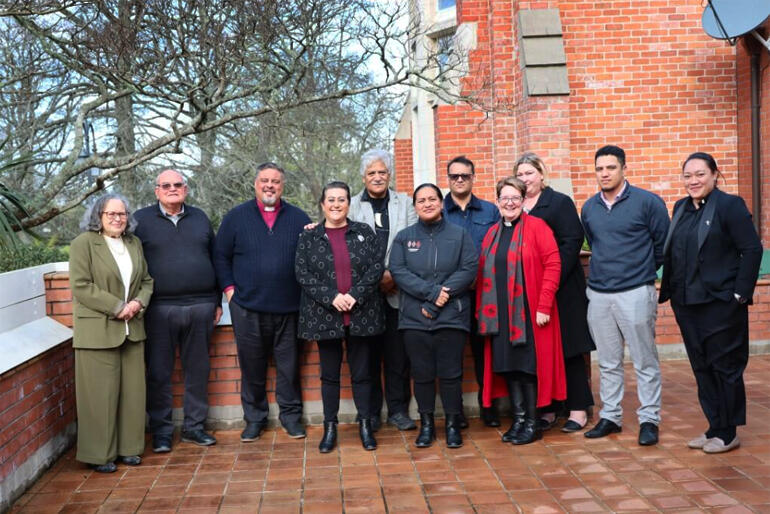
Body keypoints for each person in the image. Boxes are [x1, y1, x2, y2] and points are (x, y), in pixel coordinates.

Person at [659, 152, 762, 453]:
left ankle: (728, 432)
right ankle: (714, 425)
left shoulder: (730, 206)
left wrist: (739, 295)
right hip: (687, 304)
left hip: (720, 304)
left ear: (715, 175)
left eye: (700, 174)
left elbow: (752, 250)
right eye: (688, 175)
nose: (693, 181)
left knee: (725, 367)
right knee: (701, 367)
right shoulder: (680, 207)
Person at [214, 162, 311, 441]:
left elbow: (311, 257)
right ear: (255, 184)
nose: (270, 186)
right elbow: (221, 257)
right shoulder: (235, 217)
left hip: (290, 308)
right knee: (252, 367)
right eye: (264, 180)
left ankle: (291, 418)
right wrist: (230, 291)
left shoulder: (298, 217)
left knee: (289, 367)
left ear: (283, 186)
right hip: (247, 308)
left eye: (276, 181)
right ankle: (254, 419)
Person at [581, 145, 670, 446]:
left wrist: (641, 271)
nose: (604, 173)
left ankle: (649, 419)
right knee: (607, 361)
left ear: (623, 169)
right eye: (599, 169)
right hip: (600, 293)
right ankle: (611, 416)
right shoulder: (590, 207)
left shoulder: (648, 202)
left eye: (610, 168)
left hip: (635, 291)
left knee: (644, 359)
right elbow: (595, 244)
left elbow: (663, 246)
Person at [134, 169, 222, 453]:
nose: (173, 189)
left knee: (198, 370)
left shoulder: (200, 217)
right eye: (166, 185)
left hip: (200, 306)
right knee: (159, 372)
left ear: (186, 188)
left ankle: (195, 428)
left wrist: (217, 300)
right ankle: (161, 432)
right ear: (156, 190)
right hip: (159, 308)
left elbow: (215, 258)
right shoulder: (140, 221)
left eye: (178, 184)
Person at [296, 181, 385, 452]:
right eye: (331, 200)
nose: (336, 204)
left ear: (349, 203)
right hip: (326, 315)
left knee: (363, 375)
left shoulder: (364, 232)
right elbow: (302, 273)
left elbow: (376, 267)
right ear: (323, 204)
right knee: (330, 376)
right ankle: (330, 427)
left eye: (341, 199)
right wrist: (331, 297)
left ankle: (366, 425)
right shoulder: (309, 237)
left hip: (362, 313)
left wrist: (355, 294)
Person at [476, 177, 567, 444]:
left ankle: (532, 423)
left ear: (524, 199)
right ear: (497, 202)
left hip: (529, 313)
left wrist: (544, 304)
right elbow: (483, 274)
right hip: (500, 315)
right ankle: (517, 421)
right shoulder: (492, 232)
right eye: (504, 198)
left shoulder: (538, 227)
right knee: (509, 368)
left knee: (527, 368)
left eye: (515, 197)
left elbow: (553, 264)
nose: (510, 203)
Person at [69, 194, 153, 473]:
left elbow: (146, 281)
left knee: (133, 393)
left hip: (133, 328)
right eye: (111, 214)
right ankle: (99, 455)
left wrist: (138, 303)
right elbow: (81, 286)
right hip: (98, 330)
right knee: (99, 396)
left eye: (122, 214)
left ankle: (129, 449)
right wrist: (118, 307)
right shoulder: (84, 244)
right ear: (98, 217)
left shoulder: (134, 243)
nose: (118, 219)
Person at [390, 184, 478, 449]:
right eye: (421, 200)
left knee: (451, 374)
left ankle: (452, 424)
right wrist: (432, 293)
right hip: (414, 318)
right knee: (423, 374)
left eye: (432, 199)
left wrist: (441, 298)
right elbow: (398, 270)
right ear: (415, 206)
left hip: (452, 316)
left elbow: (469, 268)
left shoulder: (459, 235)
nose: (427, 204)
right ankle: (427, 424)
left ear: (441, 203)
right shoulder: (404, 238)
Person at [515, 153, 595, 432]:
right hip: (530, 292)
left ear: (541, 174)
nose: (525, 179)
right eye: (521, 174)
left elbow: (571, 244)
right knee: (540, 352)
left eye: (530, 173)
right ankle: (548, 408)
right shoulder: (517, 206)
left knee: (570, 349)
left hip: (563, 290)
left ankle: (577, 409)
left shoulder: (559, 203)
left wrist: (549, 279)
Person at [349, 149, 418, 432]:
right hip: (363, 295)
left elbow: (414, 243)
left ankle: (398, 410)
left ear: (390, 175)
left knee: (397, 356)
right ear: (363, 177)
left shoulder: (406, 204)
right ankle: (369, 412)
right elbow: (345, 246)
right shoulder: (351, 205)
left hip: (396, 292)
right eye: (371, 173)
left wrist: (393, 275)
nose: (377, 177)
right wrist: (372, 277)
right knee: (364, 357)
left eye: (382, 172)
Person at [442, 155, 501, 427]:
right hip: (450, 295)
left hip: (483, 294)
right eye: (454, 176)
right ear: (448, 179)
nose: (460, 180)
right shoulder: (438, 210)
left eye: (465, 175)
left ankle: (488, 405)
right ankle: (455, 412)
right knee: (452, 354)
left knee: (483, 351)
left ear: (473, 177)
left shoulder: (490, 211)